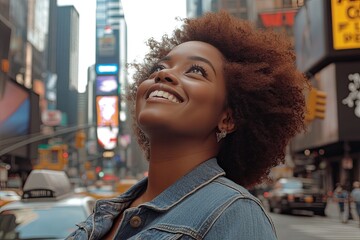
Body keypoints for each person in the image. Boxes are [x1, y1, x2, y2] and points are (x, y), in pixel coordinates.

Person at [66, 11, 306, 239]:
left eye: (196, 71)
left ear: (228, 118)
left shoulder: (235, 214)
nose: (163, 75)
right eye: (158, 68)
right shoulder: (108, 212)